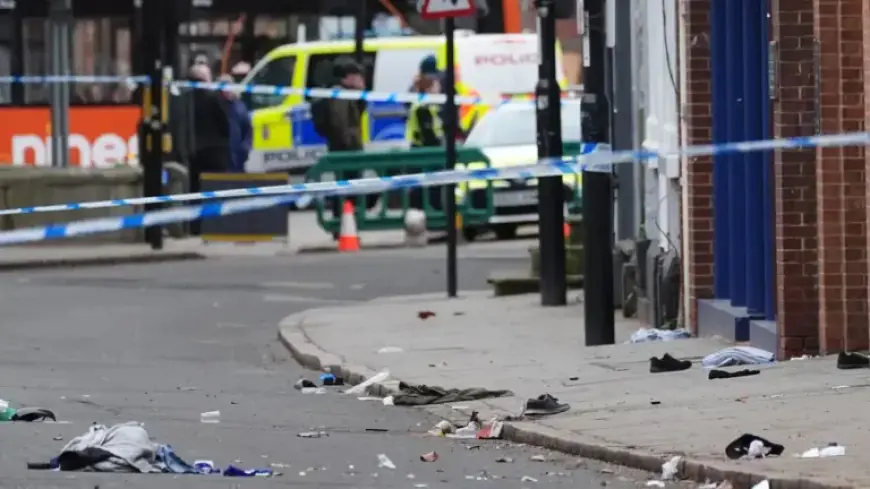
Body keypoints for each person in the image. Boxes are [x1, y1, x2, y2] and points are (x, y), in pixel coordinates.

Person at [188, 63, 231, 235]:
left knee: (194, 191)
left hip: (193, 151)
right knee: (216, 190)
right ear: (206, 80)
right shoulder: (214, 98)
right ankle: (215, 226)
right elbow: (225, 124)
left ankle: (195, 227)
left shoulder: (184, 99)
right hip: (215, 151)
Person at [406, 74, 445, 210]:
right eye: (436, 85)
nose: (439, 88)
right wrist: (439, 144)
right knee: (426, 187)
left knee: (428, 186)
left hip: (424, 150)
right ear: (429, 88)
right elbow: (428, 133)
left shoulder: (428, 105)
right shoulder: (422, 107)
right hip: (424, 151)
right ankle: (430, 214)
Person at [218, 74, 252, 172]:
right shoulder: (216, 105)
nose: (226, 91)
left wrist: (245, 149)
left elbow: (248, 130)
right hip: (222, 157)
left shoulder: (240, 107)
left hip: (238, 157)